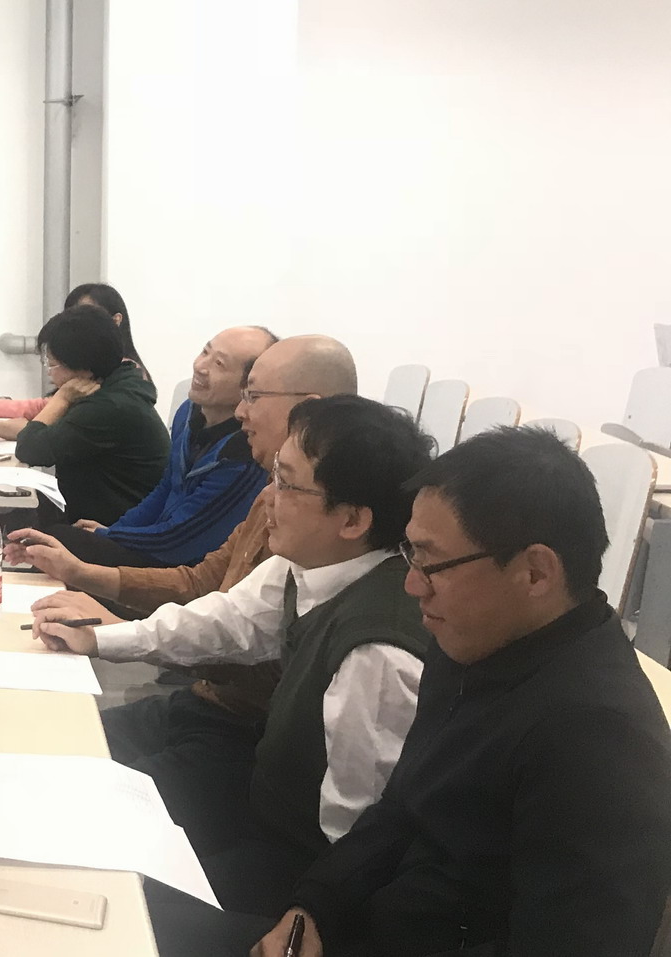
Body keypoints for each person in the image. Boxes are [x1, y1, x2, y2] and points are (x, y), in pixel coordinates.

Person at [227, 428, 671, 957]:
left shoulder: (598, 740)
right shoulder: (472, 643)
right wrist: (315, 906)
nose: (412, 584)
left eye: (431, 562)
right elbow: (401, 808)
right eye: (410, 554)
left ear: (535, 573)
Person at [33, 396, 434, 917]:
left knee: (121, 904)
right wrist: (105, 640)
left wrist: (310, 914)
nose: (267, 497)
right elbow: (226, 620)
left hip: (304, 867)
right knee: (68, 777)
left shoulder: (376, 652)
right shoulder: (306, 564)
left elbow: (354, 825)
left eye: (286, 483)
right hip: (264, 810)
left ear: (353, 520)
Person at [39, 325, 276, 569]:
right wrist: (113, 531)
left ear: (248, 386)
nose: (201, 367)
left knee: (54, 540)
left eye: (219, 364)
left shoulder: (243, 454)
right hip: (157, 542)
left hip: (187, 569)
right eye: (205, 352)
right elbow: (165, 489)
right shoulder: (188, 411)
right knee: (47, 528)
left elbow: (181, 541)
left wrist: (110, 537)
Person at [10, 303, 170, 526]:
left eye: (51, 364)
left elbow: (29, 449)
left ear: (82, 368)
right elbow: (41, 430)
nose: (48, 372)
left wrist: (62, 398)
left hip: (112, 528)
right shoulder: (117, 384)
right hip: (99, 516)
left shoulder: (109, 407)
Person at [0, 281, 148, 436]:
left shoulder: (119, 380)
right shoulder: (97, 375)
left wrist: (61, 399)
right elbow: (44, 411)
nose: (79, 324)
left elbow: (38, 439)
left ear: (115, 321)